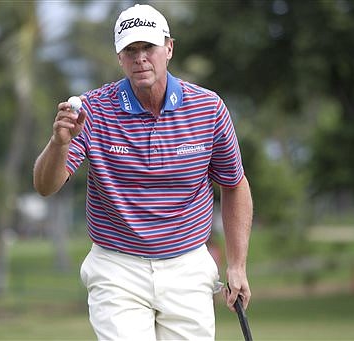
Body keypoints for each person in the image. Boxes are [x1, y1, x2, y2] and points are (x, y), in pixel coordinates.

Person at [33, 4, 253, 340]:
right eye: (130, 50)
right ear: (119, 57)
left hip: (188, 264)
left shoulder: (208, 109)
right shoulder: (92, 110)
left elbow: (234, 185)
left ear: (168, 48)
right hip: (116, 267)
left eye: (148, 48)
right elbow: (46, 186)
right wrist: (59, 143)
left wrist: (237, 265)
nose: (141, 59)